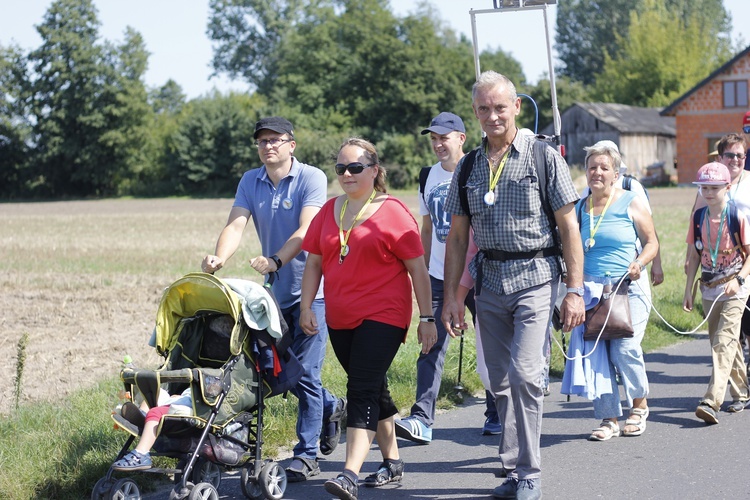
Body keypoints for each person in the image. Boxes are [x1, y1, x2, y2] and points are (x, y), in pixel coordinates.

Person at [442, 71, 585, 500]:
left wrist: (574, 290)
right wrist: (451, 296)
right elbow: (457, 238)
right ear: (475, 112)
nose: (492, 116)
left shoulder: (543, 157)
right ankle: (512, 469)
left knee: (525, 375)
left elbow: (569, 227)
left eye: (500, 107)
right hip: (489, 283)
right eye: (483, 109)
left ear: (516, 107)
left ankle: (530, 473)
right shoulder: (467, 165)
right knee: (499, 381)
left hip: (537, 278)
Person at [201, 116, 345, 482]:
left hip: (314, 293)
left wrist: (276, 259)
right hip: (273, 298)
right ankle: (331, 406)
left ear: (291, 144)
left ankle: (306, 454)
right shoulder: (251, 180)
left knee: (307, 373)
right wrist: (219, 258)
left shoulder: (311, 178)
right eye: (262, 141)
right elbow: (236, 224)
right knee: (281, 375)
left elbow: (308, 228)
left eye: (275, 140)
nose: (268, 146)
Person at [300, 137, 436, 500]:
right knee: (374, 388)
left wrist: (427, 318)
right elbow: (314, 261)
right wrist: (305, 306)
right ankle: (392, 462)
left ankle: (348, 474)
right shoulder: (329, 211)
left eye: (355, 167)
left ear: (374, 170)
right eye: (341, 168)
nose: (347, 174)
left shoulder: (393, 211)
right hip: (341, 318)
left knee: (360, 390)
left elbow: (418, 271)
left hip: (384, 316)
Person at [395, 111, 500, 445]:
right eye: (434, 138)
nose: (438, 144)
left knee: (491, 344)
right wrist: (423, 273)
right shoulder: (427, 176)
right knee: (430, 343)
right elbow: (426, 228)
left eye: (444, 137)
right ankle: (422, 418)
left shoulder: (479, 169)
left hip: (479, 273)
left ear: (461, 139)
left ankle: (496, 409)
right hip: (440, 276)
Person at [575, 142, 658, 441]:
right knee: (597, 355)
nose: (597, 172)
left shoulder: (631, 201)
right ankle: (608, 418)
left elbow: (652, 242)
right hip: (593, 292)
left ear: (615, 173)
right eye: (592, 167)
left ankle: (639, 405)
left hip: (628, 287)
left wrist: (639, 262)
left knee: (624, 348)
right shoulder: (579, 207)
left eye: (604, 168)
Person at [683, 162, 750, 423]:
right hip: (709, 289)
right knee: (721, 343)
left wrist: (741, 280)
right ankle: (742, 392)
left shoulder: (737, 217)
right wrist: (688, 290)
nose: (708, 193)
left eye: (714, 188)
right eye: (704, 188)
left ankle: (711, 401)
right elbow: (694, 255)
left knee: (724, 342)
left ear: (727, 188)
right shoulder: (698, 218)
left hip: (735, 288)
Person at [112, 389, 192, 471]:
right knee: (155, 393)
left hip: (189, 404)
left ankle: (141, 452)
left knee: (154, 412)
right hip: (180, 399)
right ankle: (143, 415)